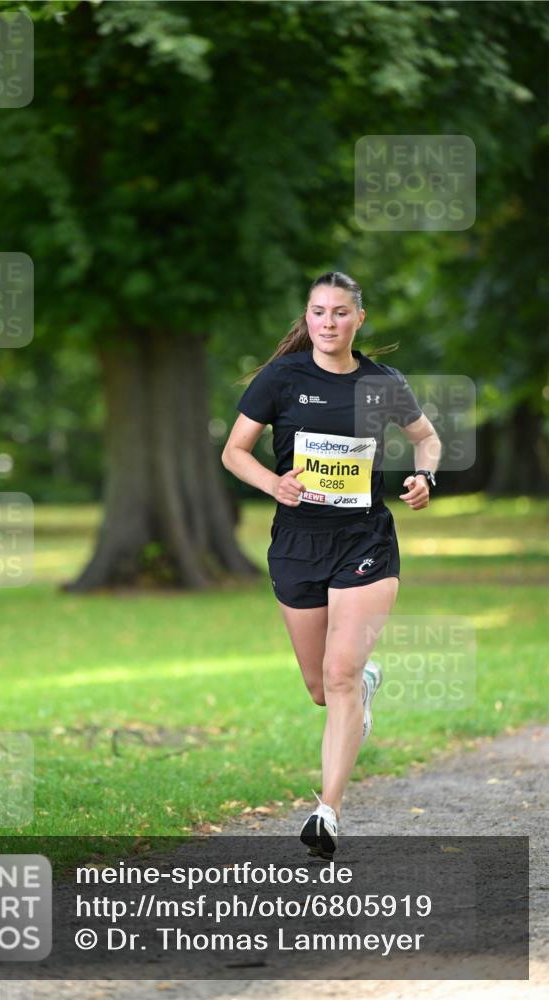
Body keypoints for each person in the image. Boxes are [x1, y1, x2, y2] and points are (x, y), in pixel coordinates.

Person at [221, 270, 441, 858]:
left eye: (340, 312)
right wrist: (275, 484)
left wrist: (426, 475)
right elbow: (233, 452)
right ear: (308, 318)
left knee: (338, 673)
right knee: (322, 687)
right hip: (296, 543)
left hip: (364, 540)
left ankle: (328, 812)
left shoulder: (382, 382)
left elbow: (427, 437)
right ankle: (365, 684)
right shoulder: (282, 377)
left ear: (358, 319)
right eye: (318, 312)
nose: (328, 322)